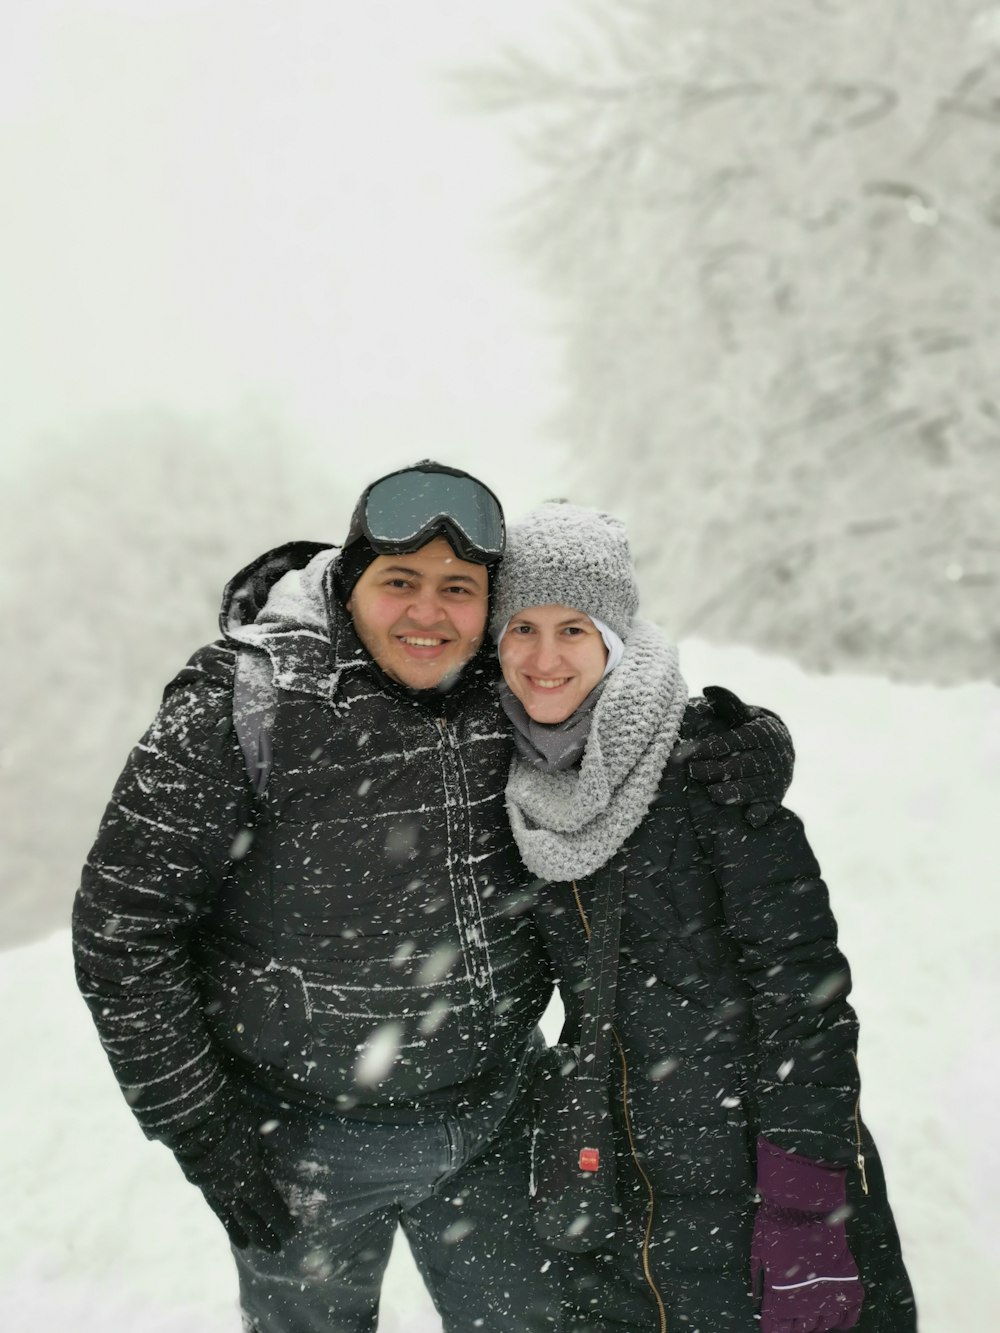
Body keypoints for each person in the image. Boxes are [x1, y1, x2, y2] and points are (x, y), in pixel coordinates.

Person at [73, 463, 795, 1333]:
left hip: (498, 1120)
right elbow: (123, 932)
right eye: (400, 582)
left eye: (458, 588)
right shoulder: (242, 704)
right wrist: (204, 1131)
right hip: (304, 1147)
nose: (429, 613)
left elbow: (629, 707)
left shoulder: (510, 679)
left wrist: (744, 738)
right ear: (348, 581)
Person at [490, 503, 917, 1333]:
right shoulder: (519, 788)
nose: (545, 658)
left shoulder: (710, 771)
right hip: (626, 1200)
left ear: (615, 638)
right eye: (523, 628)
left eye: (574, 629)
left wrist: (803, 1213)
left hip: (761, 1179)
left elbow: (806, 999)